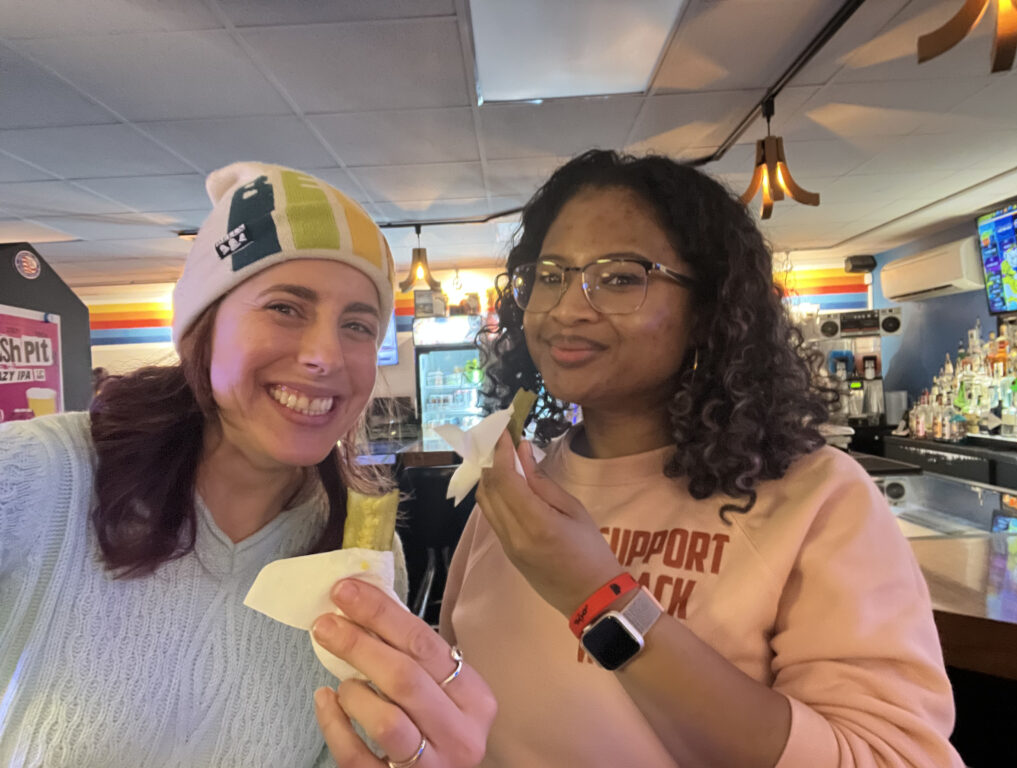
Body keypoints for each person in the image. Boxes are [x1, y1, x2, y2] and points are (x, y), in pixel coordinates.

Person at [441, 150, 964, 767]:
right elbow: (457, 704)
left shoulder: (817, 498)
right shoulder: (515, 485)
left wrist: (598, 597)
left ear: (708, 308)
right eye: (549, 274)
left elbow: (889, 757)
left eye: (619, 277)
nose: (565, 309)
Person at [0, 162, 494, 768]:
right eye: (285, 308)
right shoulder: (38, 476)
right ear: (202, 331)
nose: (324, 356)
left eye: (358, 325)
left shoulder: (362, 552)